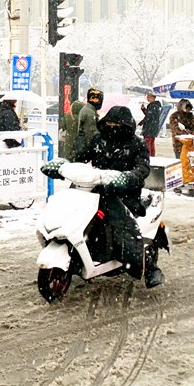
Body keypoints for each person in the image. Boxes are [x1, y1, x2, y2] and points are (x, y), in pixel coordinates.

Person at [74, 106, 164, 288]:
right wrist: (65, 163)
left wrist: (129, 177)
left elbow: (143, 168)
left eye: (117, 124)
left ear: (126, 125)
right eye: (109, 123)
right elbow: (81, 156)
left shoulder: (137, 144)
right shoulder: (98, 140)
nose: (112, 127)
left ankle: (149, 267)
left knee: (121, 227)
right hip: (95, 189)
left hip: (124, 194)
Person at [75, 88, 103, 156]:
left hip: (83, 146)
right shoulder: (90, 113)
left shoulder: (88, 110)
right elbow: (91, 133)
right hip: (86, 148)